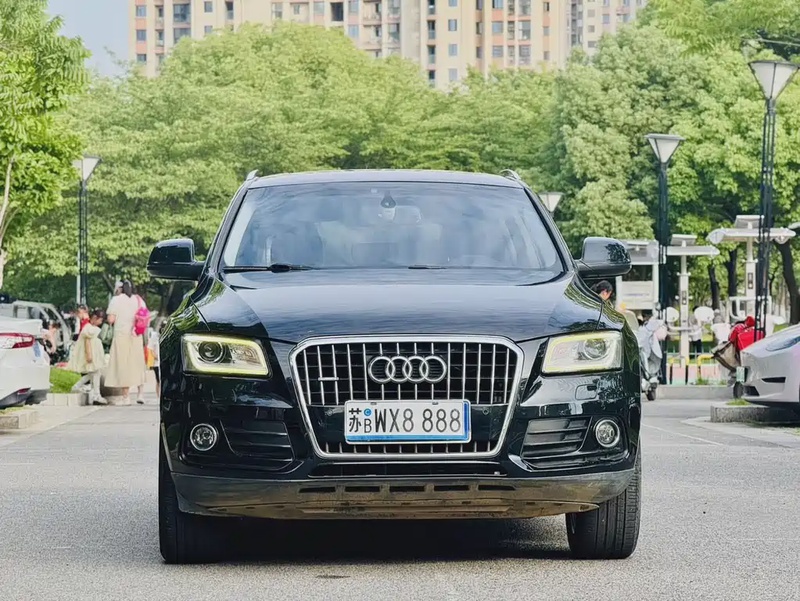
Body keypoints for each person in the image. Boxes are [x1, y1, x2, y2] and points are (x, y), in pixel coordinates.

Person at [105, 281, 147, 404]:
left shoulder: (116, 300)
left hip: (121, 335)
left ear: (119, 289)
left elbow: (111, 319)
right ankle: (140, 394)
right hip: (136, 335)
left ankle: (126, 397)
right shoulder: (138, 300)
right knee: (138, 364)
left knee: (123, 364)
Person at [67, 309, 108, 406]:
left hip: (95, 355)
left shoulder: (90, 328)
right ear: (95, 318)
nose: (100, 323)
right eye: (100, 320)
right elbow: (87, 343)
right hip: (92, 356)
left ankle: (80, 388)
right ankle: (95, 395)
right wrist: (89, 355)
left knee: (94, 373)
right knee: (95, 373)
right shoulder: (89, 329)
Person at [147, 322, 163, 402]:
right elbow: (150, 348)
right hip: (156, 362)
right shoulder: (155, 337)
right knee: (158, 380)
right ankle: (158, 396)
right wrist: (155, 356)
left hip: (164, 361)